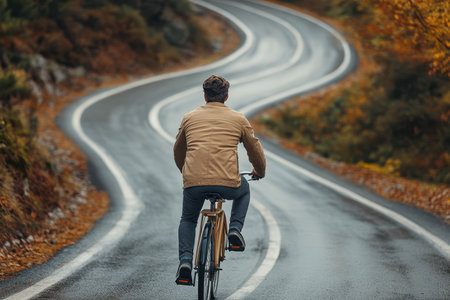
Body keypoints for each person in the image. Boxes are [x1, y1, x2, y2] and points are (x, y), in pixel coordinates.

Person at [174, 74, 266, 284]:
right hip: (228, 184)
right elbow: (255, 150)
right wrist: (259, 171)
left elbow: (178, 151)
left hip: (193, 183)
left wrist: (187, 172)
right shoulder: (238, 119)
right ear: (226, 96)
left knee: (188, 219)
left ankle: (186, 261)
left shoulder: (189, 117)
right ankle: (234, 230)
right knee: (244, 189)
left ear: (204, 96)